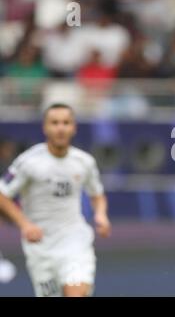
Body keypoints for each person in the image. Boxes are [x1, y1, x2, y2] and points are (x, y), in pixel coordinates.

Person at [0, 103, 111, 297]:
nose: (60, 128)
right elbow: (2, 194)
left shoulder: (84, 162)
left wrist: (101, 215)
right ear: (45, 127)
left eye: (66, 123)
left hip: (75, 242)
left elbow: (97, 193)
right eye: (55, 123)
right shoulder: (28, 162)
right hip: (41, 248)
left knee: (75, 293)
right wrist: (25, 225)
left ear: (74, 127)